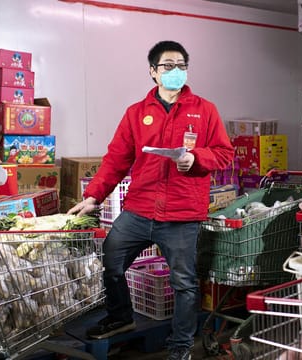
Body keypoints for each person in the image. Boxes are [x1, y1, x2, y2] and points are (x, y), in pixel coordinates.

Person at [68, 40, 235, 360]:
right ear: (153, 72)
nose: (176, 72)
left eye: (182, 66)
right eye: (168, 66)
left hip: (182, 214)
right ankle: (120, 318)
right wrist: (93, 197)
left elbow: (224, 154)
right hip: (140, 209)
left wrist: (196, 158)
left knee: (184, 284)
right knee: (112, 261)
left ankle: (181, 347)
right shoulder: (136, 113)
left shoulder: (204, 110)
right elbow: (115, 159)